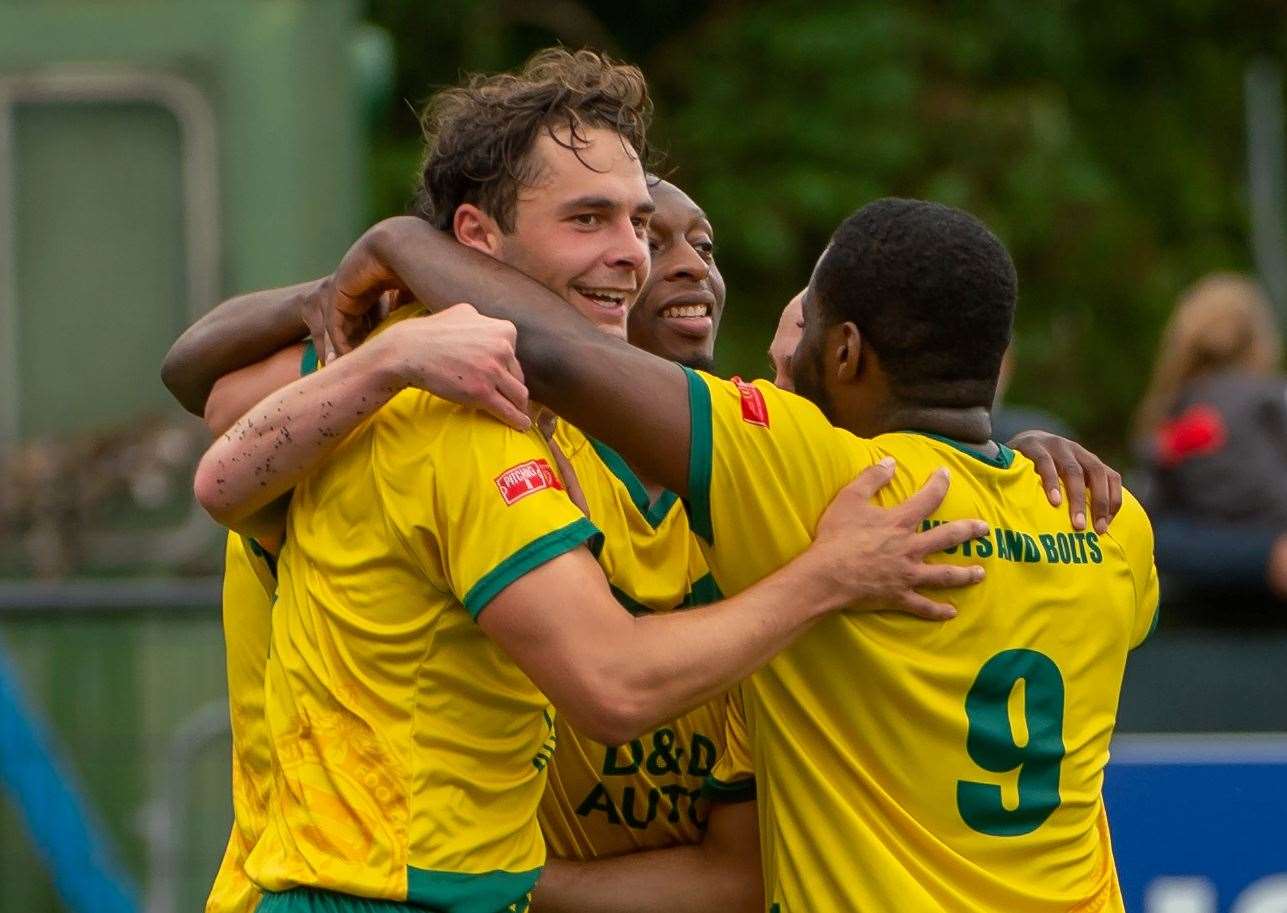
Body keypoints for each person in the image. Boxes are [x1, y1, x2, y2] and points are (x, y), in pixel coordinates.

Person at [189, 50, 989, 913]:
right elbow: (612, 684)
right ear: (475, 241)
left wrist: (1007, 455)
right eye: (588, 220)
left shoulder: (483, 386)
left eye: (637, 225)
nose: (635, 257)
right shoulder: (457, 404)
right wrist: (829, 576)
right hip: (371, 893)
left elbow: (219, 473)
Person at [314, 192, 1156, 911]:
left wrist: (400, 241)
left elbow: (548, 349)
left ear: (845, 351)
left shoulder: (820, 476)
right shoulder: (1109, 523)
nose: (780, 361)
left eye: (805, 334)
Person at [1134, 272, 1287, 615]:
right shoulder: (1273, 400)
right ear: (1261, 341)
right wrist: (1268, 553)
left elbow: (1149, 528)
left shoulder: (1169, 418)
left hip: (1201, 611)